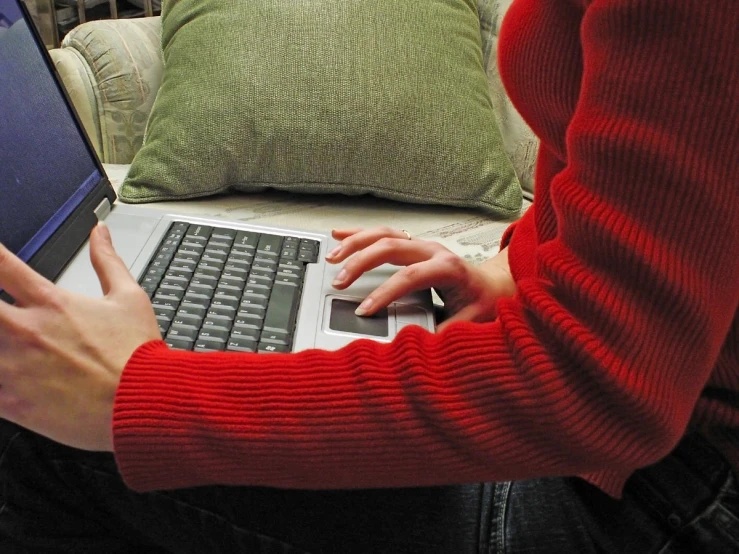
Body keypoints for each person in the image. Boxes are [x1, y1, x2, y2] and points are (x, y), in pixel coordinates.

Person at [0, 0, 737, 552]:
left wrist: (144, 399)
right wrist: (515, 270)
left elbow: (602, 390)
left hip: (670, 496)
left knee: (35, 427)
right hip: (655, 454)